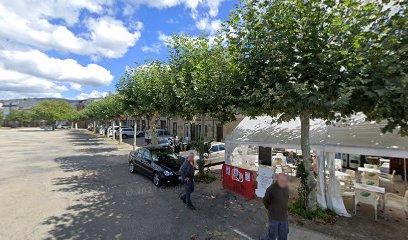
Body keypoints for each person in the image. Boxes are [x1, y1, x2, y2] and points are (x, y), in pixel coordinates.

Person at [262, 173, 289, 240]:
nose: (284, 183)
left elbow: (286, 199)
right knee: (272, 235)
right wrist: (270, 209)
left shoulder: (286, 188)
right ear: (278, 180)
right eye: (282, 181)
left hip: (284, 217)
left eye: (285, 181)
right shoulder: (271, 189)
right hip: (274, 217)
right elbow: (266, 200)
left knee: (283, 235)